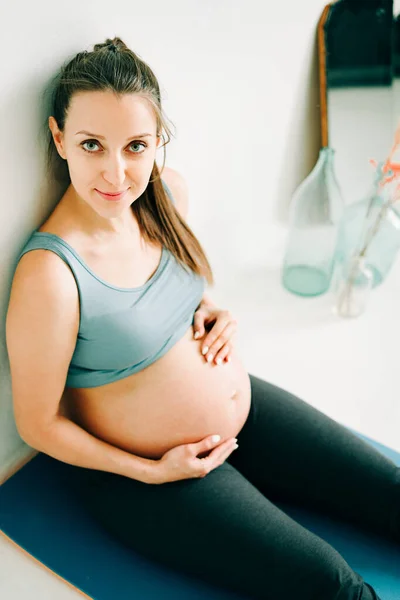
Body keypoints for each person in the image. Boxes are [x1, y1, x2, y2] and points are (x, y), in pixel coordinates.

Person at [5, 37, 399, 600]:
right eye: (93, 145)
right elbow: (37, 426)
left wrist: (210, 311)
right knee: (332, 586)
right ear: (59, 137)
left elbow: (172, 292)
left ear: (158, 140)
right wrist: (151, 472)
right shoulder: (50, 274)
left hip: (245, 414)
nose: (117, 174)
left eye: (136, 146)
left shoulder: (166, 196)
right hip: (149, 476)